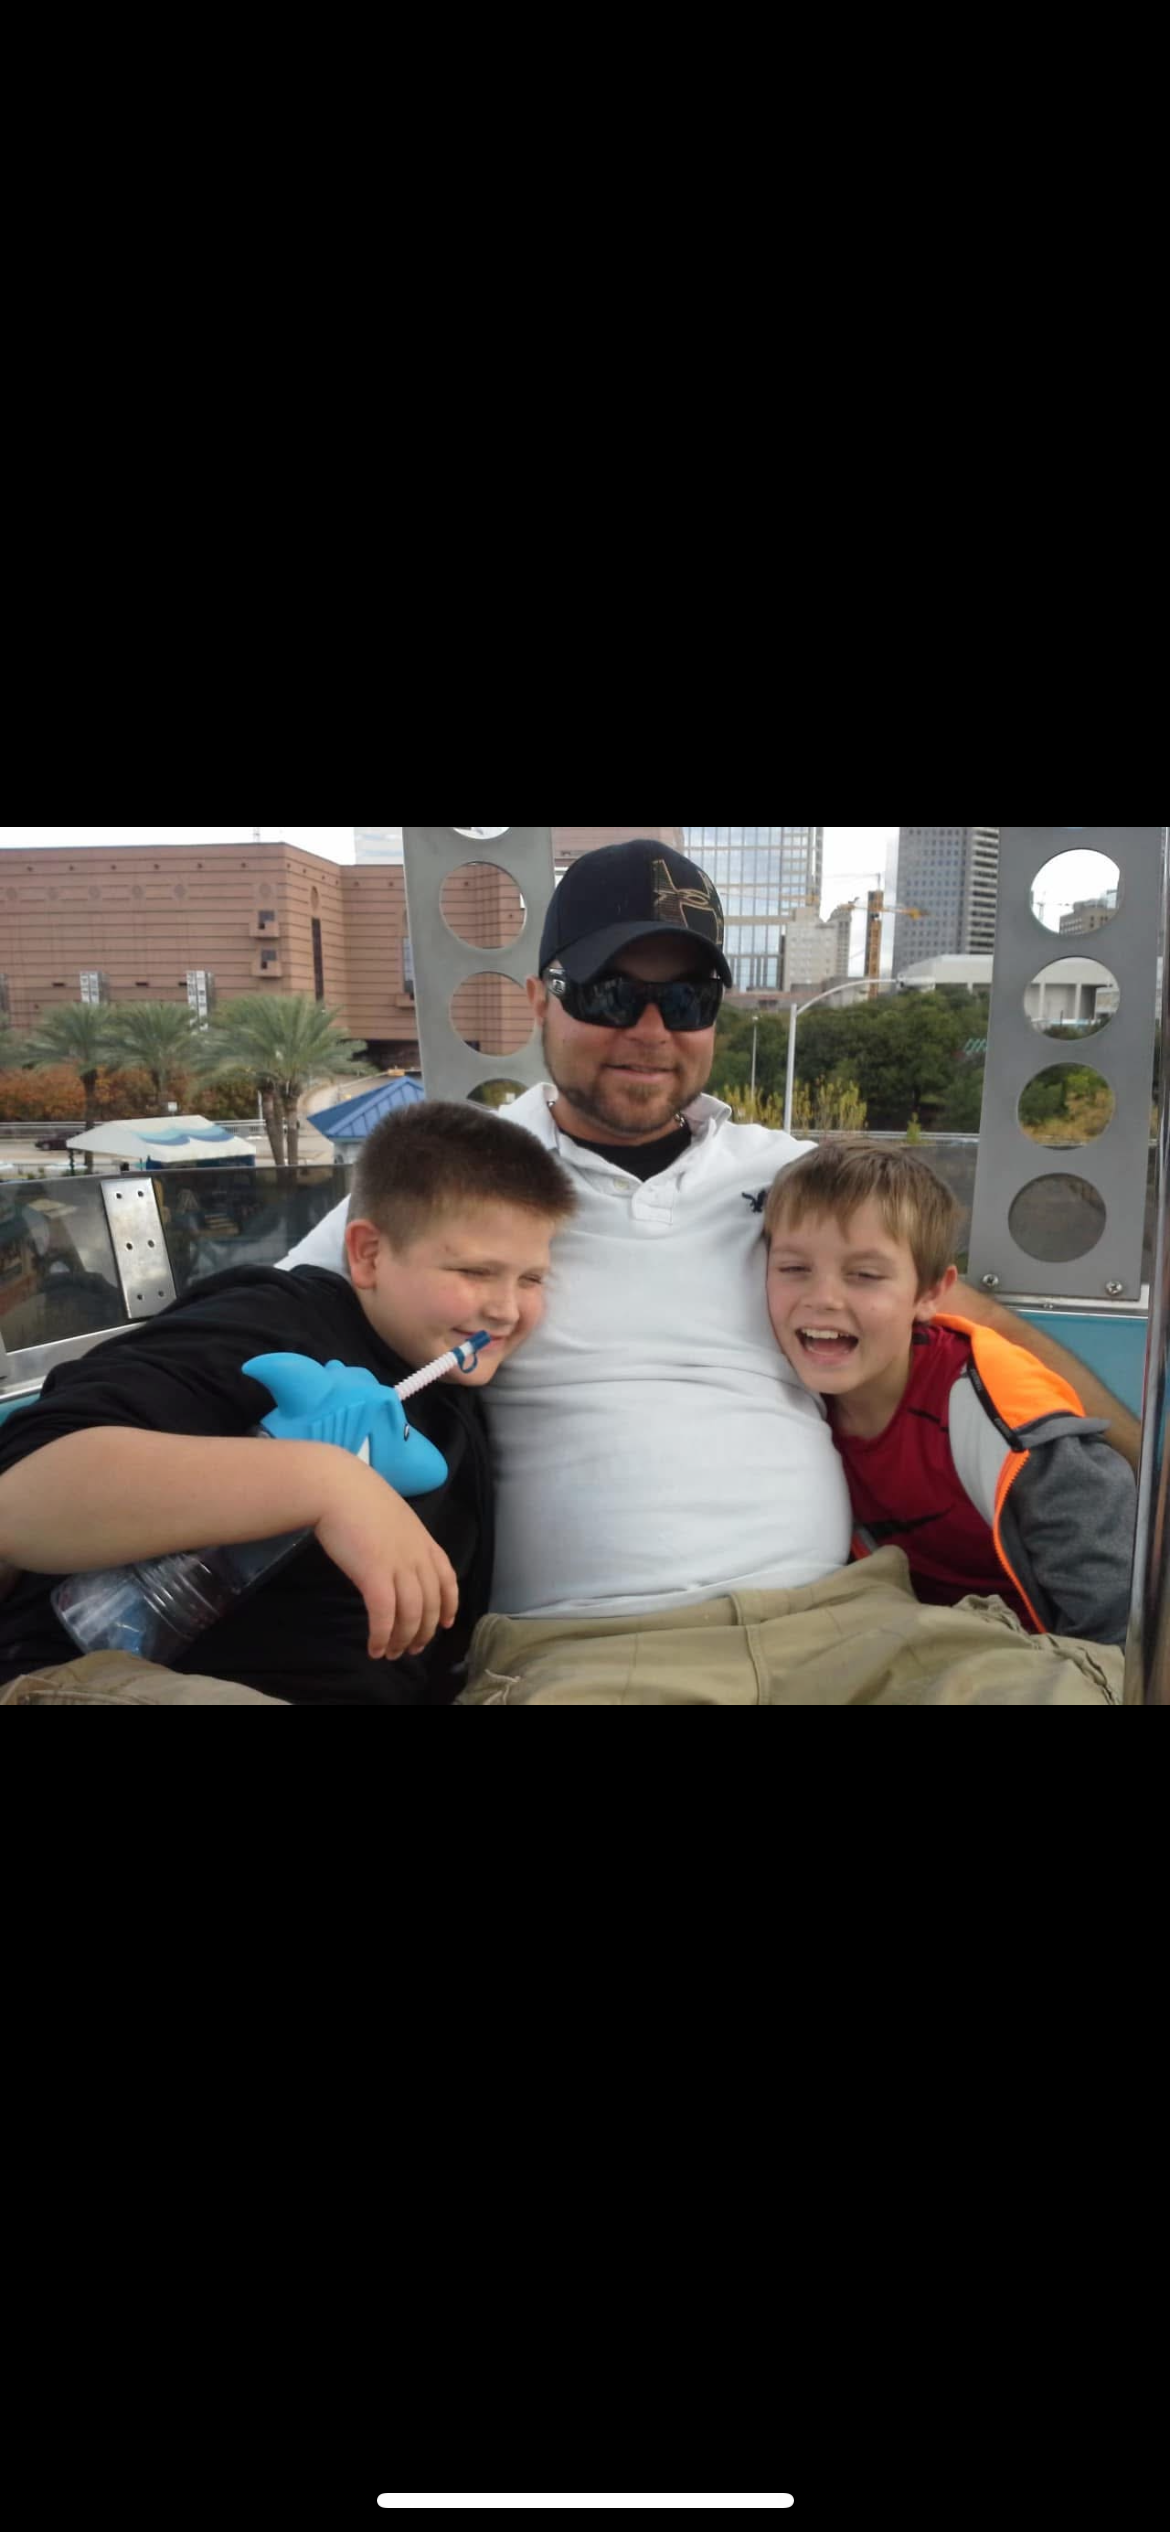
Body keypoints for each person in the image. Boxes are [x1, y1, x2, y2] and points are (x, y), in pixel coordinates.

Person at [281, 839, 1138, 1705]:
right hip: (594, 1650)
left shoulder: (793, 1179)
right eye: (611, 993)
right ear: (540, 998)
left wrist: (1148, 1461)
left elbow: (977, 1324)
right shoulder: (457, 1182)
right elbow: (254, 1326)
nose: (651, 1031)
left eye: (688, 998)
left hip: (857, 1622)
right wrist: (322, 1486)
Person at [0, 1103, 576, 1706]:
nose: (506, 1310)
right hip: (105, 1675)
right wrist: (325, 1483)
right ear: (369, 1254)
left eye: (531, 1279)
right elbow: (22, 1502)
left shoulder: (456, 1405)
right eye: (475, 1271)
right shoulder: (270, 1323)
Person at [762, 1140, 1136, 1646]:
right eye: (793, 1269)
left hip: (1040, 1653)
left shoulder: (1002, 1418)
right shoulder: (777, 1403)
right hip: (905, 1641)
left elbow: (1114, 1622)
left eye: (864, 1275)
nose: (822, 1298)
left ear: (930, 1294)